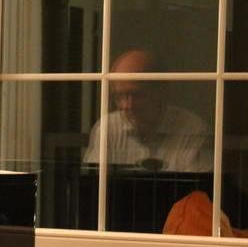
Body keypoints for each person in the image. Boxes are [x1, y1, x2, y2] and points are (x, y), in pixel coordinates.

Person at [83, 49, 212, 172]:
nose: (127, 105)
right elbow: (94, 182)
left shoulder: (193, 130)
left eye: (136, 95)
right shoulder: (108, 127)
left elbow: (198, 187)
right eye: (119, 96)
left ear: (161, 91)